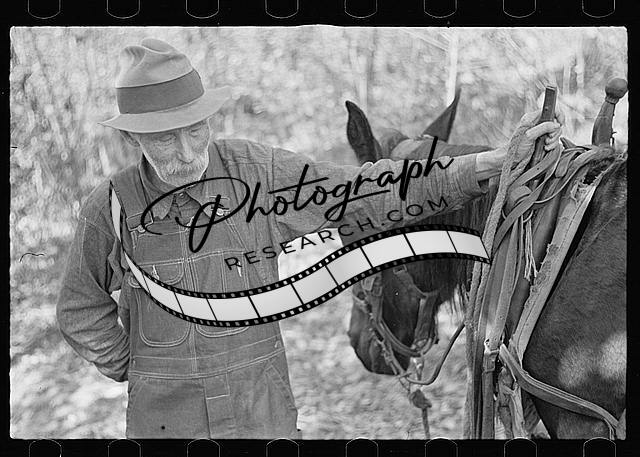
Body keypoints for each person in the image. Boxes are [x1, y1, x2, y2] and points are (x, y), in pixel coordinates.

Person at [56, 38, 563, 439]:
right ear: (132, 138)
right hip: (165, 425)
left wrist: (483, 167)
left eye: (196, 130)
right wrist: (137, 365)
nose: (188, 152)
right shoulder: (110, 208)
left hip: (262, 416)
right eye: (167, 138)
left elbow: (364, 192)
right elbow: (79, 308)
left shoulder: (255, 173)